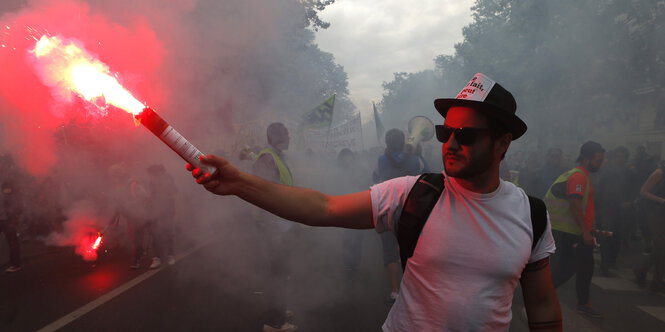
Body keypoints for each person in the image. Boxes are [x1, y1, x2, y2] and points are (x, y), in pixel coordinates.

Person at [188, 73, 562, 331]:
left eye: (465, 135)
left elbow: (542, 303)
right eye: (445, 131)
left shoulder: (531, 214)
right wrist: (239, 183)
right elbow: (323, 208)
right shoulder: (413, 192)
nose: (450, 143)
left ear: (503, 143)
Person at [545, 141, 605, 318]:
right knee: (566, 269)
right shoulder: (579, 176)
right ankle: (538, 294)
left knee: (586, 267)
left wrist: (588, 229)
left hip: (574, 231)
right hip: (571, 232)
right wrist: (586, 232)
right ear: (587, 159)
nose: (600, 164)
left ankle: (583, 303)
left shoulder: (579, 175)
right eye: (598, 160)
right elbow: (575, 203)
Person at [252, 122, 298, 332]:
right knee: (277, 275)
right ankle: (274, 322)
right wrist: (273, 231)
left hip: (283, 225)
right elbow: (263, 196)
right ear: (277, 136)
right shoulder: (268, 158)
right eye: (286, 133)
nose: (289, 137)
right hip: (275, 227)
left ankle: (280, 310)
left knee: (282, 272)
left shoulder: (277, 156)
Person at [373, 128, 422, 305]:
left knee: (390, 251)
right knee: (412, 251)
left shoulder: (381, 160)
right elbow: (428, 177)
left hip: (388, 210)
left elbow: (375, 178)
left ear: (387, 143)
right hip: (413, 211)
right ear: (404, 141)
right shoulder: (417, 159)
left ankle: (395, 291)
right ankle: (412, 290)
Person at [108, 162, 152, 270]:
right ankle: (141, 253)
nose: (112, 178)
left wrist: (131, 207)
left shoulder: (132, 183)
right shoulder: (119, 185)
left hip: (139, 215)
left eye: (114, 175)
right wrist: (113, 217)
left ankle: (137, 259)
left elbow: (145, 197)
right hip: (131, 216)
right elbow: (119, 202)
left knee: (139, 237)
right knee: (133, 235)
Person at [595, 146, 632, 275]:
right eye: (618, 156)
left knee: (618, 236)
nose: (620, 159)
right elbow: (599, 189)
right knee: (606, 236)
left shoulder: (629, 172)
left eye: (623, 156)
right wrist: (598, 208)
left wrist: (630, 201)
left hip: (622, 210)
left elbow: (634, 189)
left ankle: (612, 261)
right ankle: (605, 263)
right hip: (607, 208)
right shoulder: (606, 171)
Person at [634, 164, 665, 291]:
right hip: (655, 212)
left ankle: (641, 270)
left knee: (661, 248)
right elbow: (643, 191)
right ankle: (656, 282)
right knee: (661, 247)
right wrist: (662, 200)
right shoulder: (659, 172)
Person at [146, 164, 178, 268]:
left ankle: (170, 255)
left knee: (168, 233)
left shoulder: (169, 180)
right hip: (155, 212)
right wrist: (148, 207)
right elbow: (152, 196)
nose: (151, 176)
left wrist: (176, 212)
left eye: (152, 173)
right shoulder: (152, 182)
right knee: (155, 235)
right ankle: (157, 258)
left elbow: (174, 196)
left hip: (168, 211)